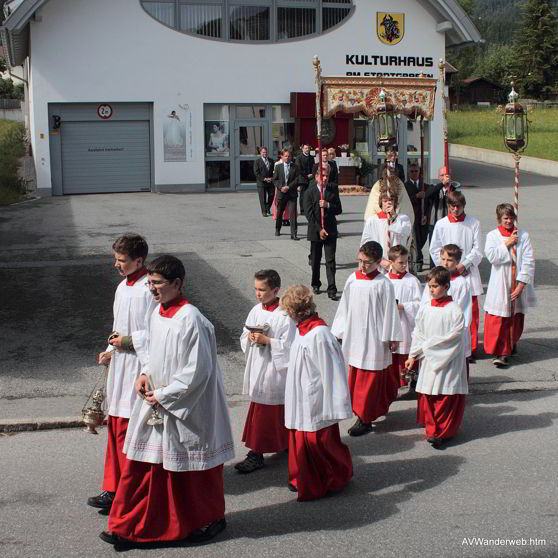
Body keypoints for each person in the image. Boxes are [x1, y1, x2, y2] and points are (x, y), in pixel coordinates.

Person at [102, 255, 234, 548]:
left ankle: (208, 519)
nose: (152, 289)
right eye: (149, 282)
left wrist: (163, 395)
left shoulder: (193, 320)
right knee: (146, 468)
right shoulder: (158, 313)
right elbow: (153, 351)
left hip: (185, 405)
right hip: (159, 401)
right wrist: (145, 373)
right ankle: (133, 525)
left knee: (192, 473)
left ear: (178, 283)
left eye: (158, 283)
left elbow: (197, 372)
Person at [87, 234, 157, 514]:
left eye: (122, 260)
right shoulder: (122, 287)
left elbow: (155, 331)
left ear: (139, 260)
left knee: (131, 430)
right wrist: (109, 349)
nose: (116, 265)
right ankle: (113, 486)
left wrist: (127, 343)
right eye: (115, 259)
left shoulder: (148, 289)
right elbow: (118, 326)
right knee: (116, 427)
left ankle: (129, 491)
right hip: (120, 365)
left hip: (139, 365)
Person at [281, 285, 353, 501]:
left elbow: (332, 371)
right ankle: (303, 477)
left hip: (316, 399)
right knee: (302, 438)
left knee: (318, 442)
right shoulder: (302, 330)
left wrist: (334, 404)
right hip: (300, 395)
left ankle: (332, 477)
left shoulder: (319, 334)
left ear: (295, 312)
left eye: (288, 312)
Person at [331, 241, 403, 436]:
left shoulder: (383, 283)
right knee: (356, 376)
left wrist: (391, 337)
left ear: (379, 262)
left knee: (370, 378)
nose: (362, 266)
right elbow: (344, 308)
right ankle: (362, 411)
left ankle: (365, 418)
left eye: (367, 262)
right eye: (360, 261)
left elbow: (390, 313)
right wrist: (338, 332)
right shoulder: (352, 279)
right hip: (355, 336)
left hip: (374, 338)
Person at [236, 270, 296, 473]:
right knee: (263, 411)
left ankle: (257, 453)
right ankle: (282, 444)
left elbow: (290, 346)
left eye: (262, 290)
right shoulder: (256, 309)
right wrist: (251, 337)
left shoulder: (285, 314)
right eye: (256, 289)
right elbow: (244, 333)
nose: (258, 294)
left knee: (267, 414)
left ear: (276, 290)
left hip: (274, 371)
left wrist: (268, 341)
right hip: (258, 366)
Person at [405, 267, 467, 449]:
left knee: (445, 397)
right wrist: (412, 355)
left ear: (446, 286)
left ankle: (442, 432)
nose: (431, 290)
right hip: (428, 359)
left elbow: (454, 338)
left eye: (434, 286)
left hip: (448, 361)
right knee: (429, 395)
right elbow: (418, 333)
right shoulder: (425, 309)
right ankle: (432, 430)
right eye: (429, 287)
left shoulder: (454, 311)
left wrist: (427, 347)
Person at [429, 191, 483, 359]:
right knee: (448, 309)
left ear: (463, 206)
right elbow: (434, 247)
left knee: (470, 312)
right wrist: (444, 267)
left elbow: (478, 249)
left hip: (467, 272)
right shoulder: (441, 224)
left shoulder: (474, 223)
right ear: (448, 206)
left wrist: (463, 265)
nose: (455, 209)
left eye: (458, 206)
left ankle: (470, 348)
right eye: (452, 206)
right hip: (446, 274)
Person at [483, 203, 536, 367]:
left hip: (516, 281)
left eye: (511, 217)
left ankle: (510, 344)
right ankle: (500, 351)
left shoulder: (523, 235)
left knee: (514, 318)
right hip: (500, 281)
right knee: (499, 319)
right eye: (505, 218)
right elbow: (492, 257)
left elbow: (528, 261)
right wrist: (507, 243)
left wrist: (521, 284)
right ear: (499, 219)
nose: (509, 221)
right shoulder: (493, 236)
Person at [422, 244, 473, 373]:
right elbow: (424, 304)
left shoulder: (461, 283)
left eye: (450, 260)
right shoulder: (433, 280)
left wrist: (455, 332)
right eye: (443, 259)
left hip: (452, 332)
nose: (445, 263)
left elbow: (464, 311)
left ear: (457, 262)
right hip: (433, 328)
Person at [386, 245, 422, 390]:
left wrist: (402, 307)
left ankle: (412, 378)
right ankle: (392, 383)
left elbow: (421, 304)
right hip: (389, 323)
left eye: (406, 262)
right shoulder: (384, 280)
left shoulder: (412, 281)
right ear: (391, 262)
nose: (404, 265)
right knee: (391, 357)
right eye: (400, 262)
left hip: (406, 324)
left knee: (405, 355)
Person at [304, 165, 342, 300]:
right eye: (322, 176)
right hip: (315, 231)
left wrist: (328, 205)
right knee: (315, 260)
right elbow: (309, 214)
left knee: (330, 261)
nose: (325, 179)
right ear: (316, 177)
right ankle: (316, 283)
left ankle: (332, 288)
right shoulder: (309, 192)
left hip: (330, 230)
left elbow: (339, 209)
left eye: (327, 176)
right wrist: (319, 229)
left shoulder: (332, 191)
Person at [360, 187, 412, 273]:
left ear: (395, 202)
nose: (388, 203)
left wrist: (394, 217)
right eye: (385, 201)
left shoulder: (403, 219)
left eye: (391, 200)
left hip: (398, 263)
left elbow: (405, 235)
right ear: (381, 203)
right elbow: (366, 244)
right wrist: (380, 260)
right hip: (378, 263)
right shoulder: (373, 220)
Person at [404, 163, 435, 270]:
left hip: (423, 218)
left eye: (416, 171)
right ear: (408, 173)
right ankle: (418, 261)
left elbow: (429, 201)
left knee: (422, 239)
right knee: (416, 240)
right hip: (412, 218)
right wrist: (416, 196)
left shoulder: (424, 186)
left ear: (419, 172)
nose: (414, 173)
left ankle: (417, 256)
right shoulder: (405, 186)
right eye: (411, 171)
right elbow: (405, 202)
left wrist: (426, 215)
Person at [364, 162, 414, 228]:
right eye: (386, 172)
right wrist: (385, 215)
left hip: (398, 223)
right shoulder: (377, 185)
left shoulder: (400, 185)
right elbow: (374, 205)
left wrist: (395, 215)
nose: (389, 174)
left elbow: (405, 206)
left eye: (392, 172)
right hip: (379, 224)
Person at [426, 166, 455, 266]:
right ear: (439, 177)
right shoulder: (434, 187)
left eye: (446, 175)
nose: (444, 177)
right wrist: (442, 184)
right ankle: (434, 266)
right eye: (442, 175)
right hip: (434, 222)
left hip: (449, 222)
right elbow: (428, 194)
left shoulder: (454, 189)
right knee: (434, 246)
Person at [273, 149, 300, 240]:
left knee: (293, 214)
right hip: (282, 193)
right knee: (280, 213)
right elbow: (275, 180)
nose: (287, 158)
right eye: (285, 156)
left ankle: (294, 234)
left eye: (289, 156)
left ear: (291, 157)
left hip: (292, 193)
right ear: (282, 157)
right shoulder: (278, 167)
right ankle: (277, 229)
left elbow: (297, 179)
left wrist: (288, 187)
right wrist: (281, 187)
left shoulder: (295, 167)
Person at [254, 147, 275, 217]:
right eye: (263, 152)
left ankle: (268, 207)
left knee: (272, 195)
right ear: (260, 153)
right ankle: (264, 211)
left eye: (266, 152)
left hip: (270, 182)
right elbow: (256, 173)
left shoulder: (271, 160)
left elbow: (274, 171)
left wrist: (272, 178)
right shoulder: (257, 161)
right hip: (261, 182)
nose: (265, 153)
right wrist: (264, 179)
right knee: (262, 197)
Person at [295, 144, 314, 215]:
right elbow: (298, 169)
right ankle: (302, 210)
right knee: (303, 195)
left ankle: (309, 208)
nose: (307, 149)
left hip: (310, 178)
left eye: (308, 148)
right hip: (302, 178)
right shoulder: (299, 157)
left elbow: (313, 167)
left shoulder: (311, 157)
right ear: (302, 149)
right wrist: (306, 175)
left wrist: (312, 174)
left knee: (310, 194)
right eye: (305, 148)